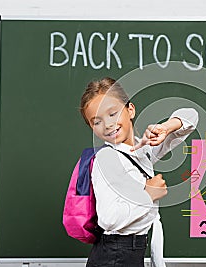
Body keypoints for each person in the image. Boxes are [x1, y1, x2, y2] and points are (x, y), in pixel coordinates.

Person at [79, 77, 198, 267]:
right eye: (97, 122)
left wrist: (166, 128)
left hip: (130, 252)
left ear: (130, 110)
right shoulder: (107, 159)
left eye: (113, 113)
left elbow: (191, 116)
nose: (108, 124)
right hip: (115, 254)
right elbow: (108, 219)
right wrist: (147, 195)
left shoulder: (141, 151)